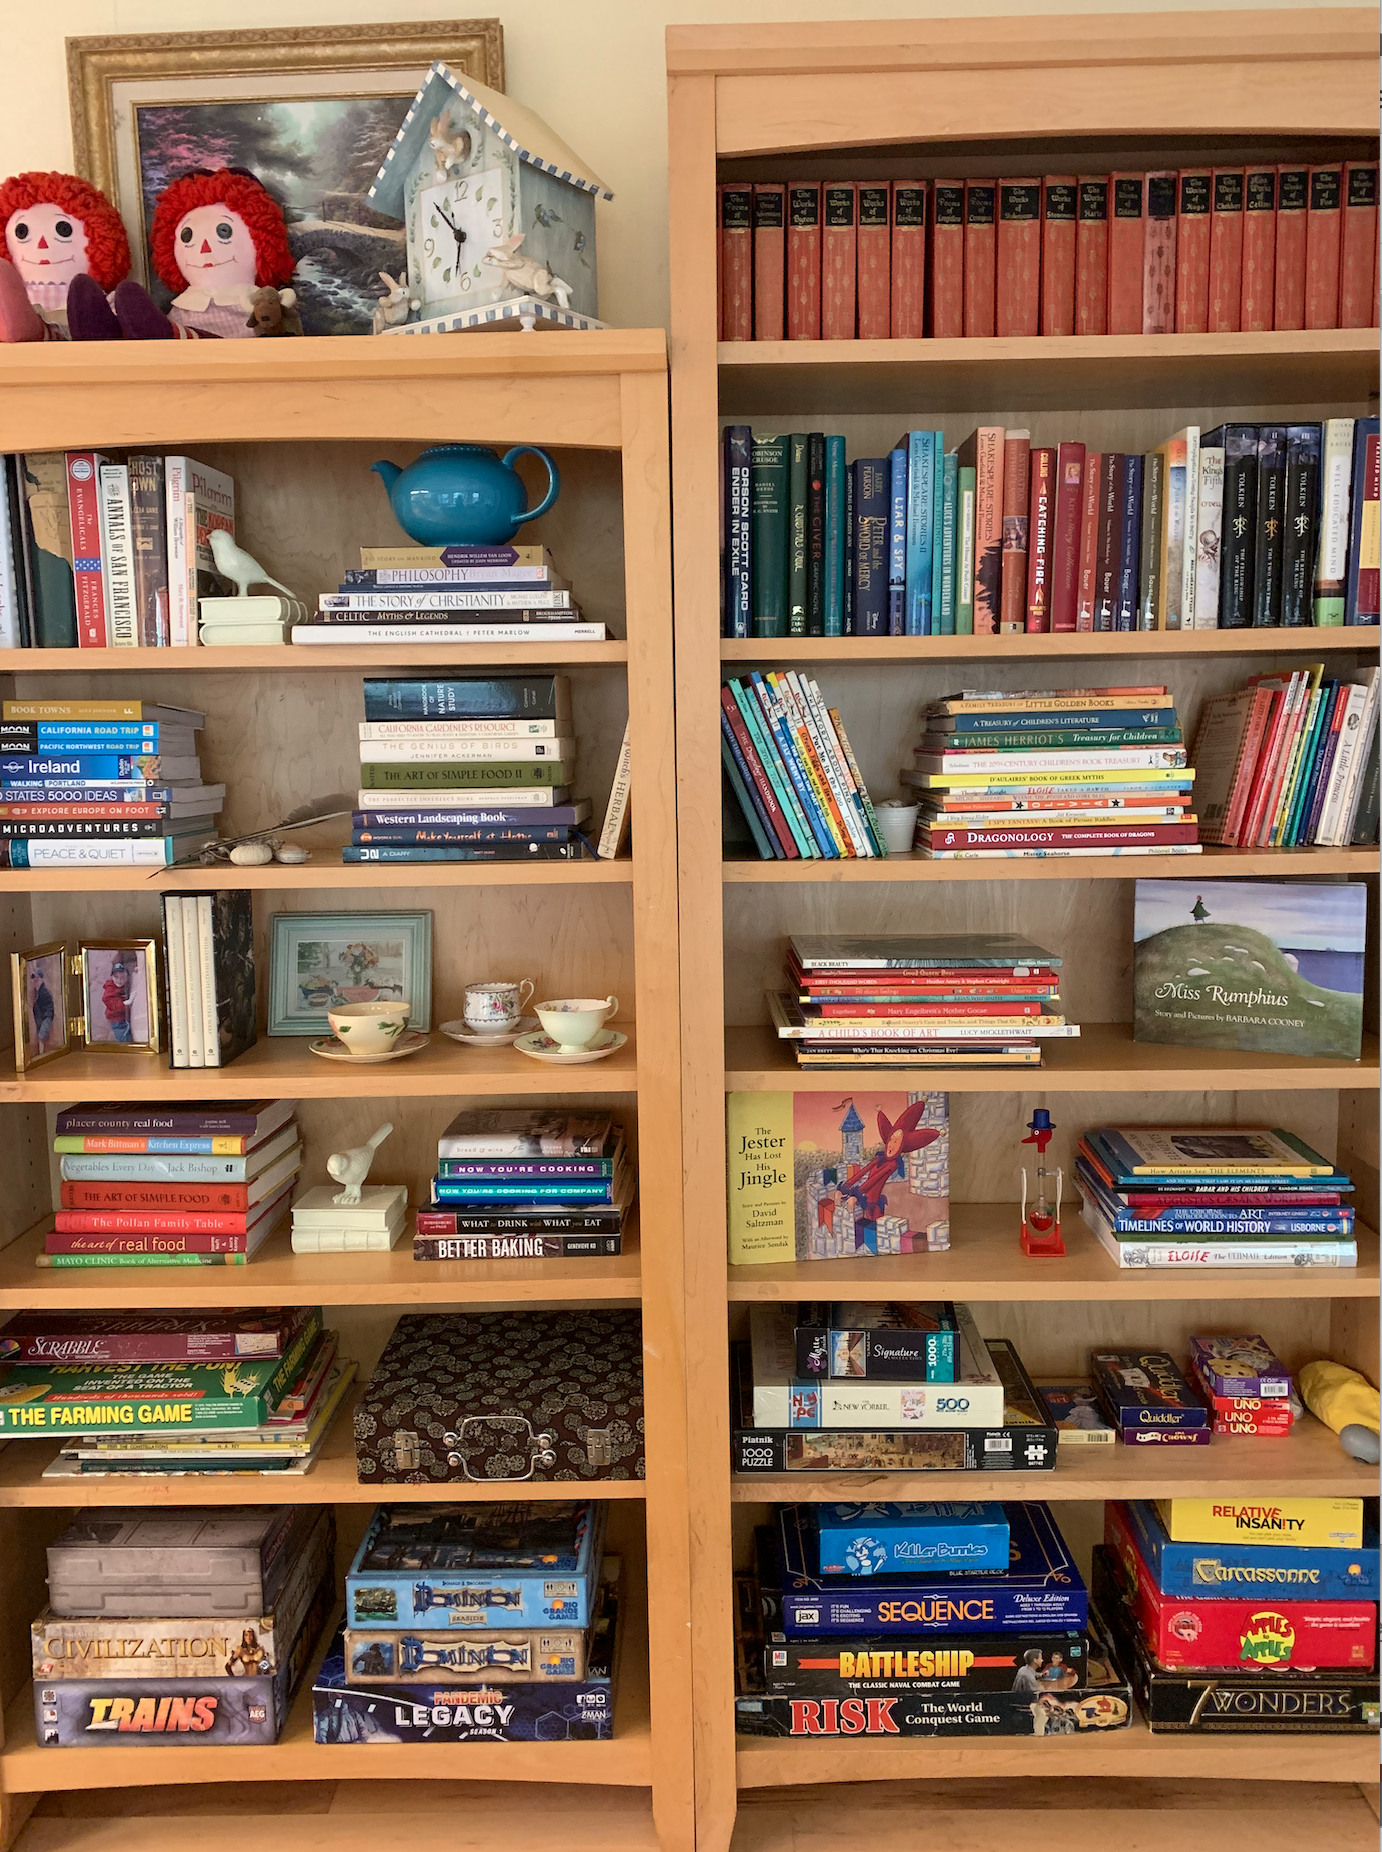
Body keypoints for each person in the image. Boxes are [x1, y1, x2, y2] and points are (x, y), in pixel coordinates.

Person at [101, 953, 135, 1043]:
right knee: (124, 1039)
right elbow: (111, 1003)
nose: (119, 980)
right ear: (112, 977)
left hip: (125, 1017)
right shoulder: (110, 989)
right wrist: (128, 1002)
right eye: (116, 977)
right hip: (117, 1021)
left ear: (127, 977)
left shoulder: (125, 985)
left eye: (122, 977)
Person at [28, 961, 55, 1055]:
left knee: (42, 1038)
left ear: (41, 979)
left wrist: (45, 1024)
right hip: (40, 1020)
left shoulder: (44, 992)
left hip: (45, 1020)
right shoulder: (37, 992)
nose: (35, 981)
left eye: (37, 979)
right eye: (34, 979)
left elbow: (49, 1010)